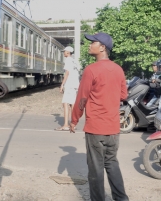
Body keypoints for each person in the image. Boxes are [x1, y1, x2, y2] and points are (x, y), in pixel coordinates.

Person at [70, 32, 129, 201]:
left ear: (102, 48)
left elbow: (82, 97)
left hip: (96, 128)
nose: (89, 45)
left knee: (96, 170)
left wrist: (74, 120)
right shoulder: (118, 69)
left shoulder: (91, 70)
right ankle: (122, 199)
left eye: (93, 42)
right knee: (112, 164)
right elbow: (123, 95)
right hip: (113, 129)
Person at [55, 46, 80, 131]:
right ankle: (73, 124)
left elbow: (67, 73)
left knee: (65, 103)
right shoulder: (74, 61)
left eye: (64, 51)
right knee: (72, 104)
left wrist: (62, 84)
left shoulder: (68, 60)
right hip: (75, 85)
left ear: (68, 52)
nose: (63, 52)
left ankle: (65, 125)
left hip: (69, 84)